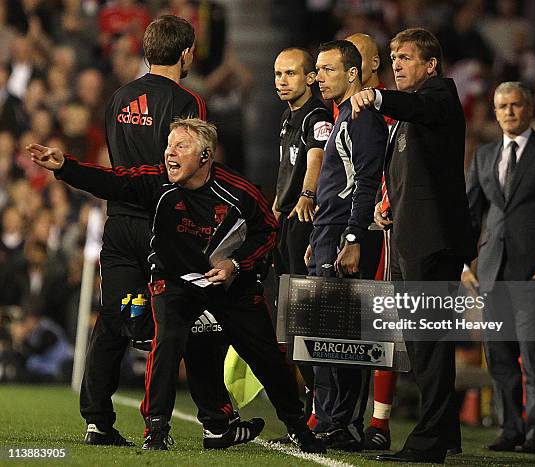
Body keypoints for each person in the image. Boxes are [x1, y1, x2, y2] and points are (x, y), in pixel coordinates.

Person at [28, 118, 325, 453]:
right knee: (165, 342)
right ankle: (156, 430)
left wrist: (235, 263)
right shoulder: (159, 182)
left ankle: (297, 426)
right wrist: (66, 166)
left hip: (229, 285)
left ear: (205, 156)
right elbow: (114, 182)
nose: (170, 153)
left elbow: (268, 231)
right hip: (174, 281)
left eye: (181, 146)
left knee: (266, 355)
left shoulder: (239, 192)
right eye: (169, 145)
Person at [78, 15, 249, 448]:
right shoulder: (188, 102)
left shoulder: (119, 97)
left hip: (120, 224)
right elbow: (192, 171)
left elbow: (115, 160)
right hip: (165, 225)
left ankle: (97, 419)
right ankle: (215, 420)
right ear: (187, 52)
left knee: (116, 318)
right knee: (189, 317)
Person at [351, 28, 476, 463]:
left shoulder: (439, 96)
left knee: (428, 342)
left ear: (431, 65)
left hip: (432, 241)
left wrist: (378, 96)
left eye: (405, 57)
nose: (397, 63)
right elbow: (411, 177)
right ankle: (447, 434)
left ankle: (428, 442)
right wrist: (388, 208)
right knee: (426, 342)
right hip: (411, 235)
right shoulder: (413, 113)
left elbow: (416, 105)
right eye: (393, 57)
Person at [462, 81, 535, 455]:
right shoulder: (483, 156)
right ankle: (511, 429)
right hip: (492, 273)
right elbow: (470, 214)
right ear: (495, 112)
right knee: (499, 359)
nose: (509, 112)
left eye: (515, 105)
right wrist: (464, 263)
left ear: (528, 108)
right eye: (502, 106)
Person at [307, 39, 387, 451]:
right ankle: (330, 418)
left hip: (344, 234)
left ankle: (344, 423)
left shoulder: (362, 118)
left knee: (344, 336)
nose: (318, 77)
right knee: (324, 334)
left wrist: (352, 238)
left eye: (328, 69)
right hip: (328, 232)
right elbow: (339, 182)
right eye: (318, 69)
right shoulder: (342, 116)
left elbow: (367, 182)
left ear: (353, 73)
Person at [272, 47, 333, 430]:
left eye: (291, 73)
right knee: (291, 322)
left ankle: (323, 407)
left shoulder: (317, 116)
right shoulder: (287, 116)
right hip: (285, 223)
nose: (281, 80)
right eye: (278, 74)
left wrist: (307, 195)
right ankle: (312, 403)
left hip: (303, 223)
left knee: (306, 320)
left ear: (311, 77)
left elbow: (316, 159)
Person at [346, 32, 397, 452]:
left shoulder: (389, 108)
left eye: (355, 56)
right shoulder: (341, 108)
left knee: (380, 322)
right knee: (343, 320)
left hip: (382, 228)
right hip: (350, 222)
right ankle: (332, 412)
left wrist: (387, 201)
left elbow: (394, 164)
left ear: (374, 62)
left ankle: (379, 419)